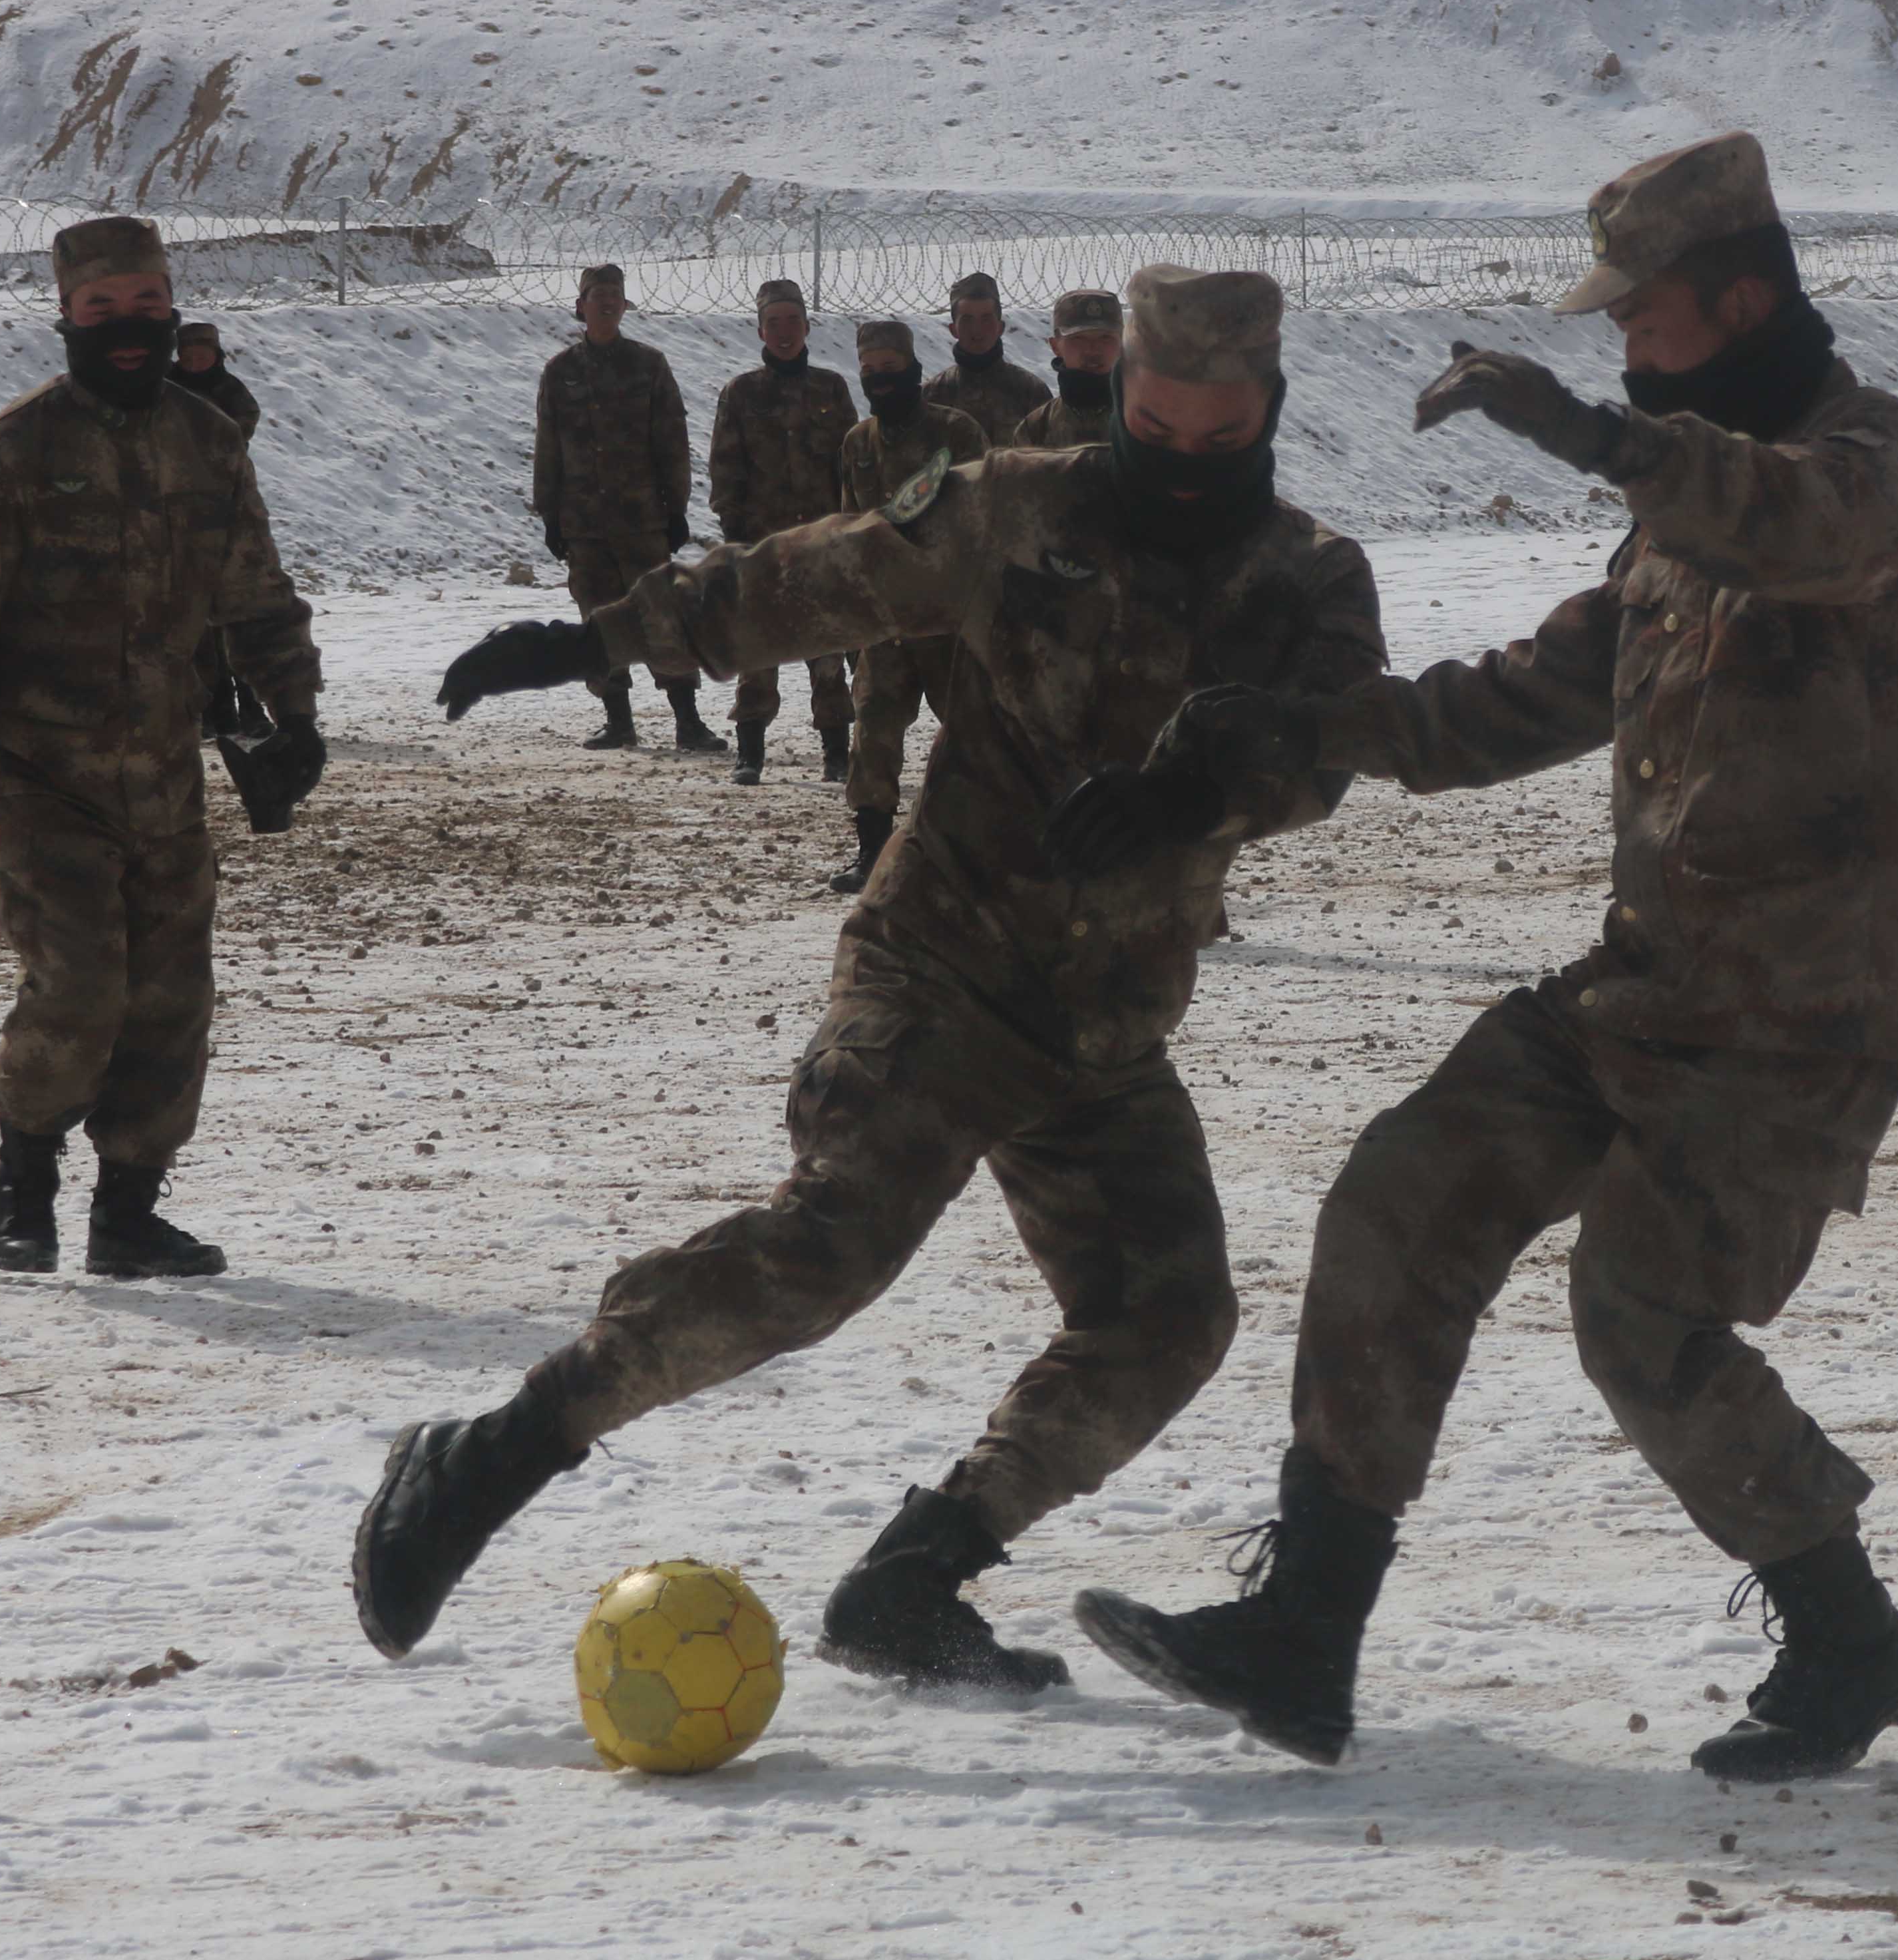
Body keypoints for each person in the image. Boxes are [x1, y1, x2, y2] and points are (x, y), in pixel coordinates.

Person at [1073, 132, 1898, 1784]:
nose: (1624, 343)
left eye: (1650, 319)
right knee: (1401, 1194)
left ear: (1746, 300)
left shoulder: (1870, 464)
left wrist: (1600, 436)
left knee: (1643, 1315)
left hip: (1802, 1015)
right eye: (1615, 329)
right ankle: (1308, 1629)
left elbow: (1809, 532)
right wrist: (1283, 740)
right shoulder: (1675, 525)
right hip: (1650, 980)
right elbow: (1513, 701)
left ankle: (1850, 1632)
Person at [353, 266, 1386, 1692]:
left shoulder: (1311, 573)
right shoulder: (1018, 503)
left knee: (1167, 1314)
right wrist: (598, 635)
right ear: (1122, 399)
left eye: (1224, 441)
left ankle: (916, 1573)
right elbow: (805, 577)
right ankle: (492, 1452)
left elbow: (1328, 746)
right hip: (939, 965)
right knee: (832, 1242)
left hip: (1101, 1026)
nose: (1188, 466)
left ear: (1272, 409)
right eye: (1159, 430)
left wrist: (1201, 791)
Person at [0, 215, 323, 1280]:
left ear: (170, 309)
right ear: (69, 319)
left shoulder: (208, 442)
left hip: (167, 775)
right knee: (80, 984)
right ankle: (24, 1179)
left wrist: (298, 711)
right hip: (43, 775)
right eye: (103, 310)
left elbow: (257, 594)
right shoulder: (14, 451)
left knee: (173, 998)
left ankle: (129, 1210)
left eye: (144, 306)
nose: (127, 328)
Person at [530, 262, 719, 753]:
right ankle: (618, 720)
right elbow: (548, 446)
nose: (607, 303)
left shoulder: (648, 366)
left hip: (642, 522)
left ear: (624, 305)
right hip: (585, 526)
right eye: (598, 296)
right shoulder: (561, 372)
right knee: (598, 622)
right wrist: (550, 514)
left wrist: (675, 509)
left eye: (615, 295)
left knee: (664, 618)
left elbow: (672, 442)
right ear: (581, 307)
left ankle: (688, 720)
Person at [829, 319, 990, 896]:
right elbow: (850, 531)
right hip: (884, 621)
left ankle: (983, 849)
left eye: (889, 369)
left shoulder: (957, 433)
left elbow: (978, 521)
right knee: (872, 734)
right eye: (869, 370)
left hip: (948, 622)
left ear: (913, 369)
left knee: (975, 740)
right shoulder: (857, 443)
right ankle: (872, 848)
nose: (879, 380)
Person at [708, 279, 858, 787]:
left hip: (821, 544)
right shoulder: (741, 393)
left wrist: (851, 527)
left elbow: (852, 463)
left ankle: (837, 753)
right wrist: (735, 537)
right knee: (757, 651)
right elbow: (725, 469)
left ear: (807, 326)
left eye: (793, 320)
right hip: (762, 547)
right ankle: (750, 752)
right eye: (774, 323)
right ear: (760, 331)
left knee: (829, 652)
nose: (785, 331)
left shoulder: (831, 389)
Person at [168, 321, 270, 742]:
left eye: (202, 355)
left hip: (225, 514)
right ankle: (212, 710)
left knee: (231, 616)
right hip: (175, 518)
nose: (194, 362)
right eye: (187, 356)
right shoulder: (164, 389)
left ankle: (250, 708)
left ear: (217, 354)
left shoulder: (233, 395)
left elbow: (231, 439)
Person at [928, 270, 1052, 443]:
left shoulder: (1031, 392)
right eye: (967, 319)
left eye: (986, 318)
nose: (977, 329)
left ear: (1001, 327)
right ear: (953, 329)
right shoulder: (933, 395)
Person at [1010, 290, 1123, 449]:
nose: (1093, 349)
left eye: (1105, 337)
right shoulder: (1036, 430)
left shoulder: (1146, 423)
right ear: (1055, 346)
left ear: (1122, 343)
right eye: (1078, 338)